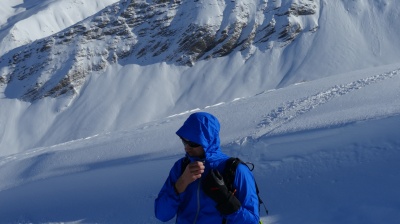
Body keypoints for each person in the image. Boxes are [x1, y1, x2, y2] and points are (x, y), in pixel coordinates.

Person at [154, 112, 260, 223]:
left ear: (208, 141)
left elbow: (252, 221)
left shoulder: (235, 170)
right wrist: (181, 184)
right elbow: (161, 214)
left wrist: (226, 200)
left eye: (193, 143)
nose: (187, 148)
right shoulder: (181, 167)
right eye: (184, 141)